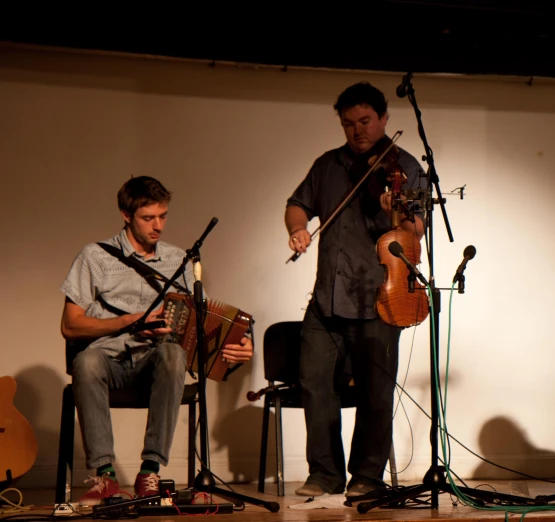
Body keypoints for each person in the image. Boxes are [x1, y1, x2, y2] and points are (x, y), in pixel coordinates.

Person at [59, 176, 253, 506]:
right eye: (148, 218)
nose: (158, 225)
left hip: (157, 361)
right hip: (110, 360)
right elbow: (70, 325)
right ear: (126, 214)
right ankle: (104, 477)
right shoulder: (95, 256)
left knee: (174, 355)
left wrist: (235, 347)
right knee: (86, 361)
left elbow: (197, 325)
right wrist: (130, 321)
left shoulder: (179, 260)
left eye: (163, 216)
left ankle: (150, 470)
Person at [285, 82, 427, 498]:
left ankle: (367, 476)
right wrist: (297, 228)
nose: (357, 130)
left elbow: (418, 229)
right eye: (348, 123)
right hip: (326, 297)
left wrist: (397, 211)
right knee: (314, 383)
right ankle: (324, 474)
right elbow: (297, 203)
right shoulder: (327, 165)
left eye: (365, 121)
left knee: (376, 393)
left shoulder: (404, 166)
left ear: (384, 119)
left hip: (379, 297)